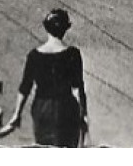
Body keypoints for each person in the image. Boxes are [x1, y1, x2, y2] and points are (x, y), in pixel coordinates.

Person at [9, 8, 88, 147]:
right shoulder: (73, 54)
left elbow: (25, 87)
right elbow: (77, 88)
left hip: (41, 108)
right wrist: (83, 115)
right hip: (65, 107)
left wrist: (17, 113)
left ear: (46, 28)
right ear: (65, 29)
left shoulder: (34, 55)